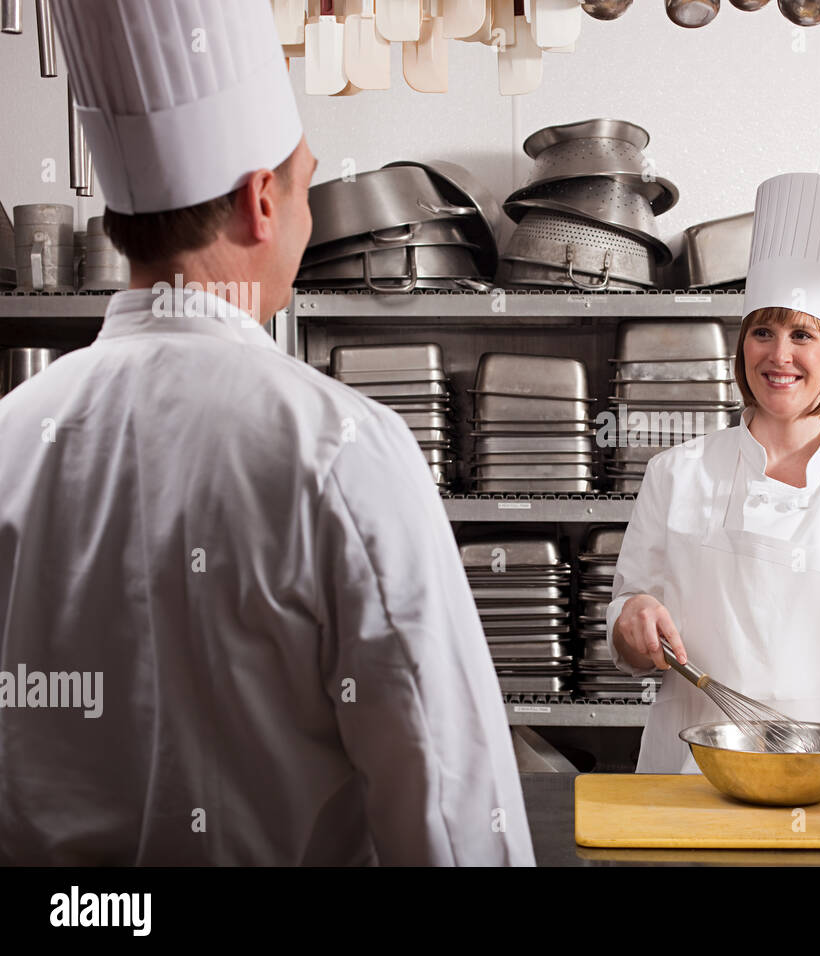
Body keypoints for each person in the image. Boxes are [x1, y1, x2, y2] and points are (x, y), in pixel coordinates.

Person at [0, 0, 532, 866]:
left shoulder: (13, 437)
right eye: (305, 186)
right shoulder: (342, 451)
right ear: (259, 204)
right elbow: (446, 804)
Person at [608, 172, 820, 786]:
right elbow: (631, 622)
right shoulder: (675, 475)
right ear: (742, 348)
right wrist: (634, 617)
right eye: (762, 333)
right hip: (694, 780)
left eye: (803, 335)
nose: (780, 356)